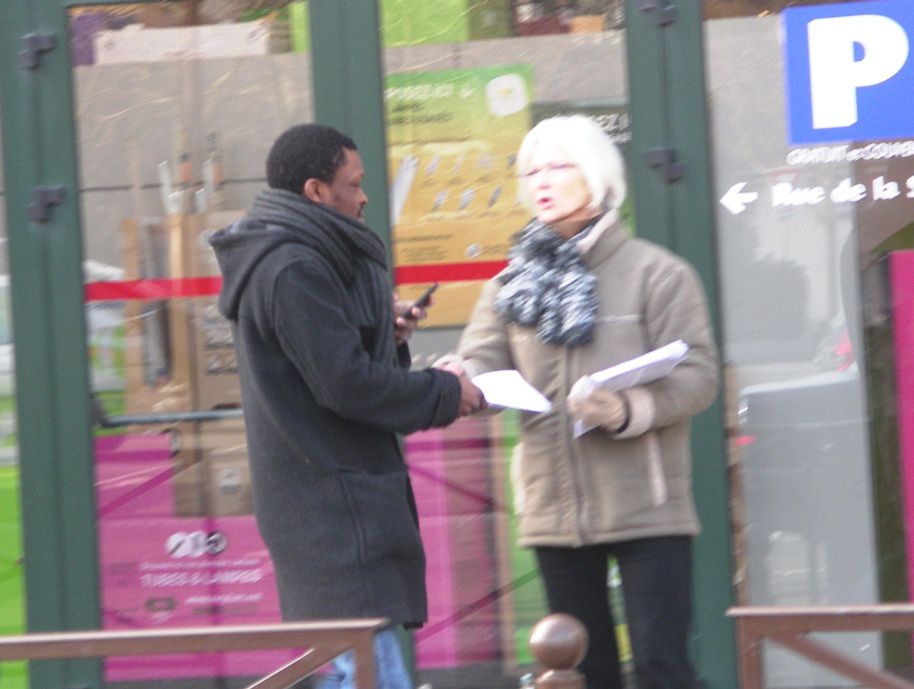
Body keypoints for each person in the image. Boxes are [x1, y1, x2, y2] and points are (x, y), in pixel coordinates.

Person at [208, 123, 484, 689]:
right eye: (353, 184)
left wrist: (389, 335)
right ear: (315, 191)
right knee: (367, 672)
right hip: (335, 516)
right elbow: (347, 387)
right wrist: (445, 392)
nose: (363, 197)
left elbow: (330, 369)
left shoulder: (299, 256)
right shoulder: (293, 268)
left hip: (334, 509)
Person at [447, 116, 719, 689]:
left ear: (597, 176)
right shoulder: (507, 286)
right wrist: (462, 375)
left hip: (648, 507)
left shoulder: (658, 274)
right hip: (553, 510)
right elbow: (482, 358)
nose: (541, 181)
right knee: (579, 671)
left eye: (559, 166)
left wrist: (625, 411)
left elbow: (699, 376)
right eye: (532, 171)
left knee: (661, 667)